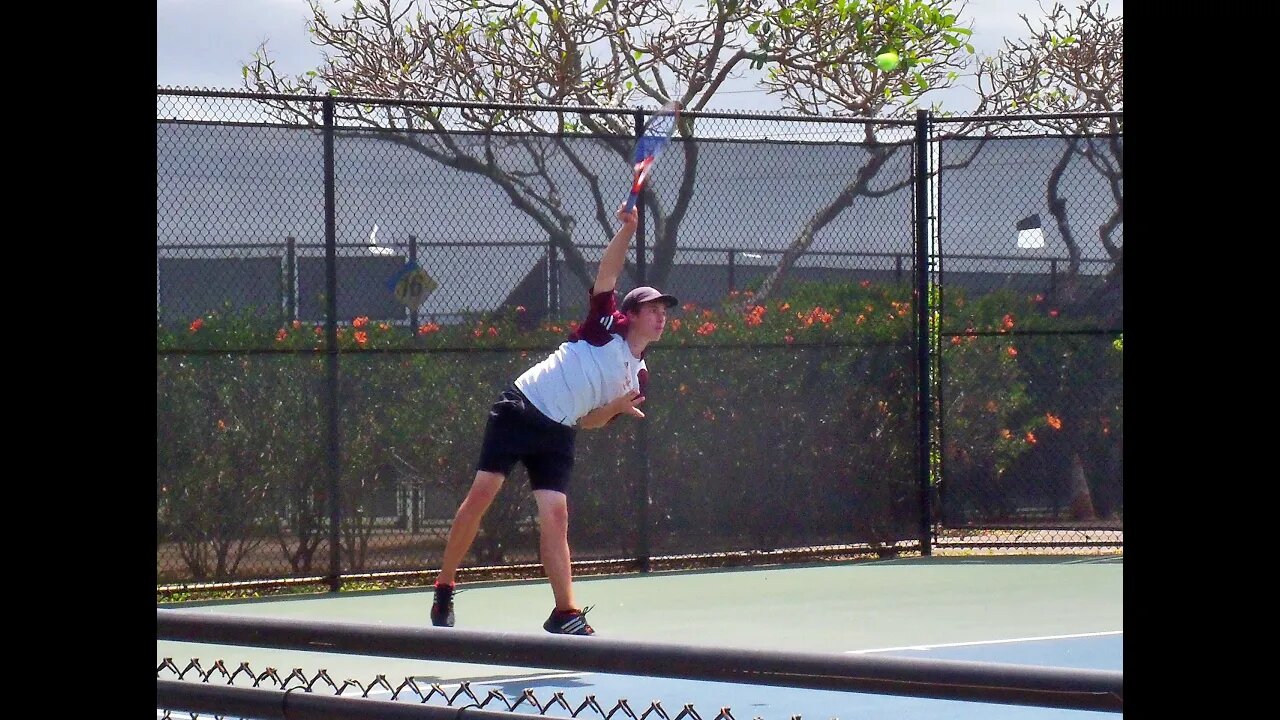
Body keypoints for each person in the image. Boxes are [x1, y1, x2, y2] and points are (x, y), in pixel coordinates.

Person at [430, 202, 678, 636]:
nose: (661, 317)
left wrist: (616, 408)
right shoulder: (606, 326)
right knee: (482, 496)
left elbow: (591, 423)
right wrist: (628, 229)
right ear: (631, 315)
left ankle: (565, 612)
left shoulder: (639, 376)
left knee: (557, 515)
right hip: (521, 407)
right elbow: (608, 273)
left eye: (665, 311)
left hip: (560, 429)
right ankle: (445, 586)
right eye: (654, 309)